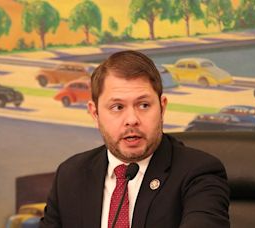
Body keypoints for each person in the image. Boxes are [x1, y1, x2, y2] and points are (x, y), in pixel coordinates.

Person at [39, 50, 230, 228]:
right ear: (95, 113)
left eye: (144, 105)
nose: (132, 120)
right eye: (117, 107)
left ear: (162, 108)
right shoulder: (71, 175)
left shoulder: (198, 173)